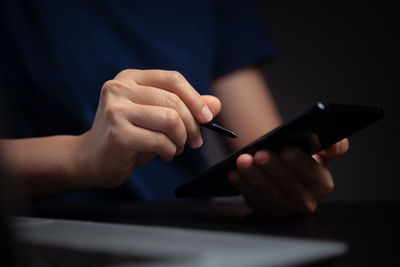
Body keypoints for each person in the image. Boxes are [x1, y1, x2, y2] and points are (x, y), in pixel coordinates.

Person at [0, 0, 348, 215]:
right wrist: (81, 156)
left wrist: (291, 175)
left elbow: (257, 144)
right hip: (47, 232)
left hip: (188, 232)